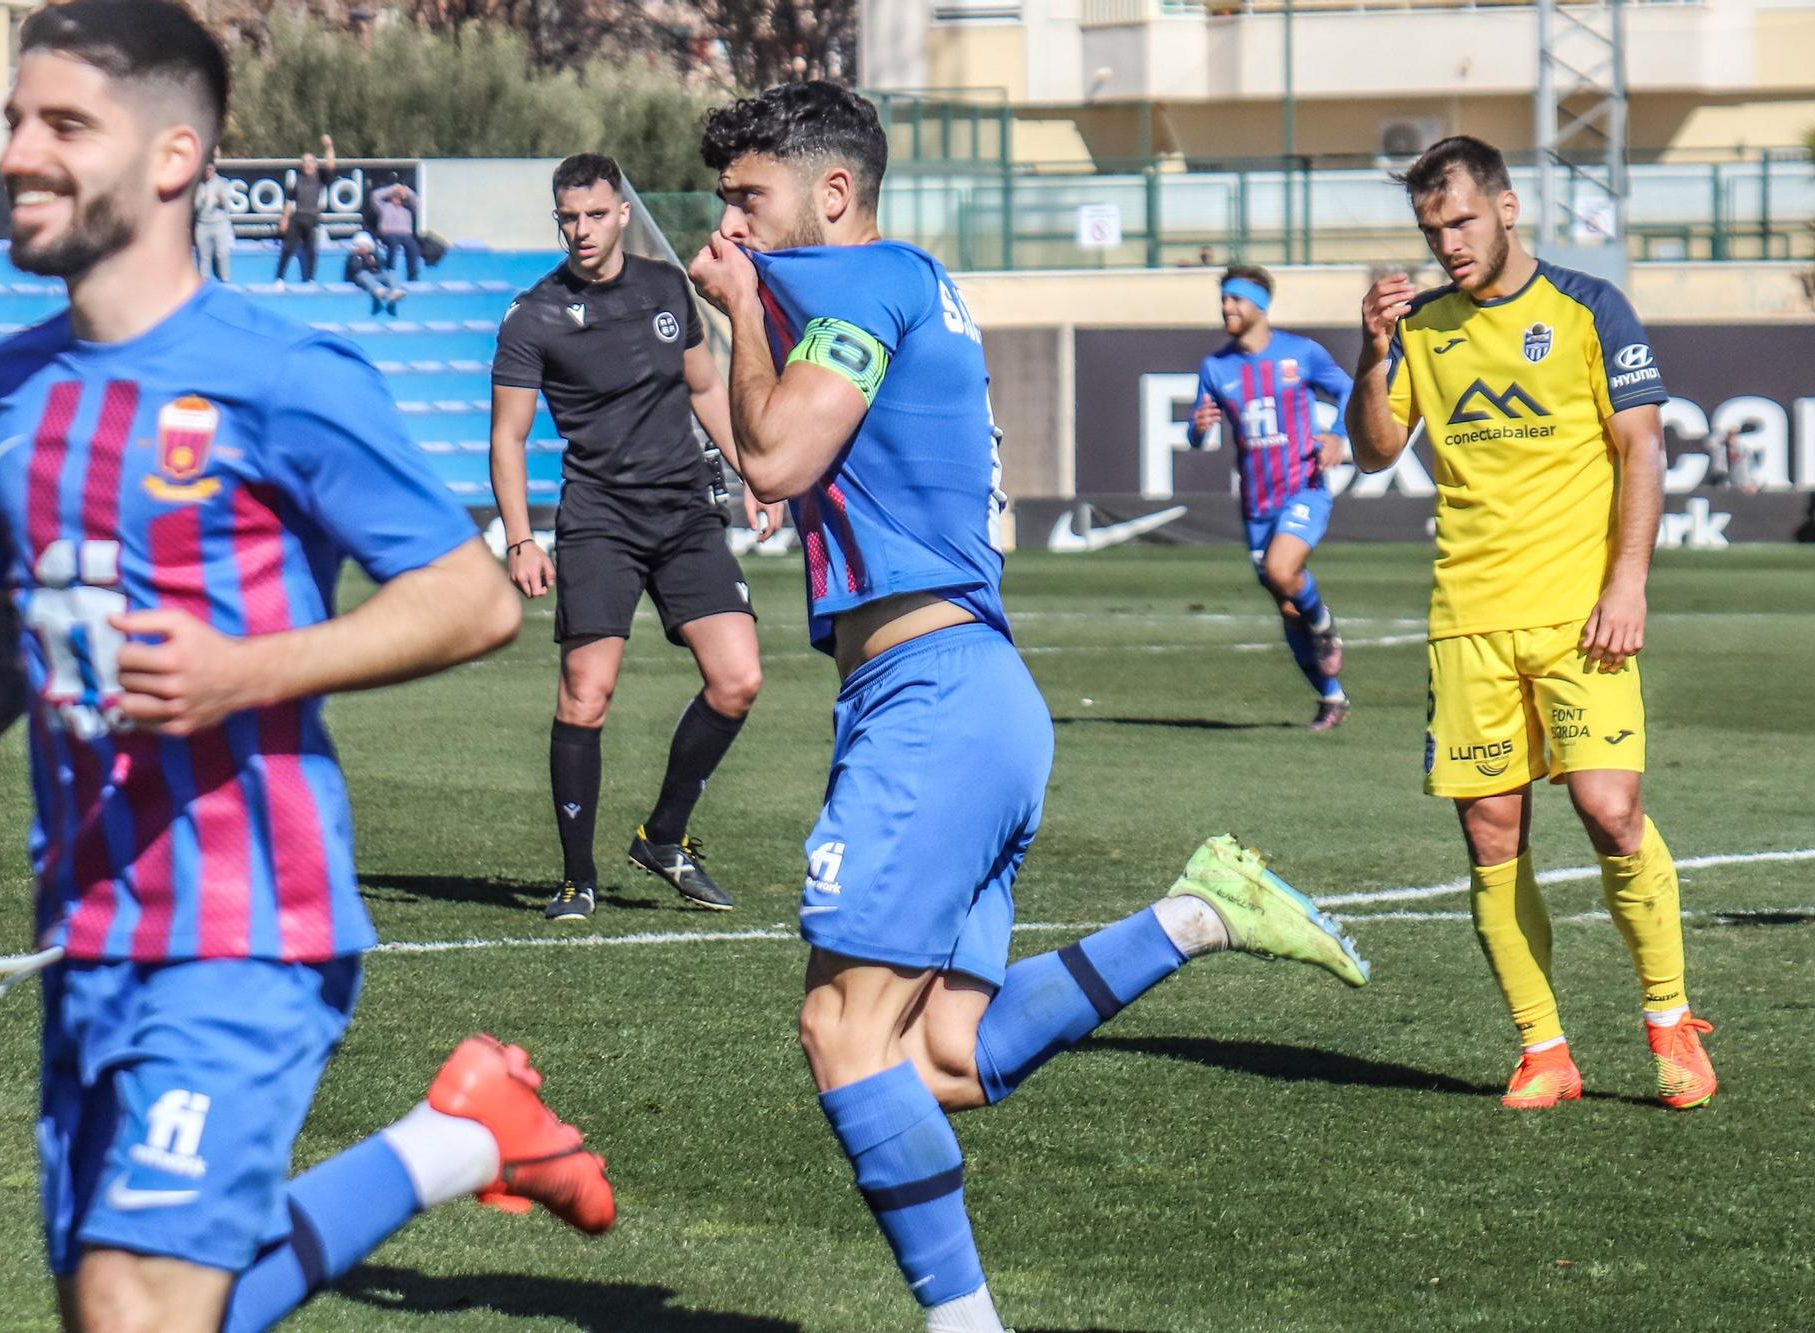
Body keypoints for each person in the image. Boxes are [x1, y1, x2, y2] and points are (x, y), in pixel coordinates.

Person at [0, 6, 615, 1330]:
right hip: (85, 929)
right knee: (128, 1310)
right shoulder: (14, 386)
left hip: (245, 922)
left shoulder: (282, 377)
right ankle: (454, 1139)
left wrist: (247, 671)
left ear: (175, 156)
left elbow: (473, 600)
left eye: (64, 125)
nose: (18, 153)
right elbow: (29, 609)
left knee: (139, 1307)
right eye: (16, 120)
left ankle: (454, 1138)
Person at [688, 80, 1368, 1333]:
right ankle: (1193, 914)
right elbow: (769, 436)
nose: (729, 221)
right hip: (975, 698)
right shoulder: (898, 285)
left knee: (842, 1032)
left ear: (830, 193)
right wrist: (724, 327)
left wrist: (735, 305)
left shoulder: (855, 282)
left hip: (929, 700)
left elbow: (774, 459)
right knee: (942, 1058)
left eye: (748, 197)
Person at [1345, 134, 1716, 1112]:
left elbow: (1639, 448)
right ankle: (1541, 1048)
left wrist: (1625, 582)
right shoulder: (1422, 327)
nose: (1448, 245)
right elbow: (1376, 449)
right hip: (1466, 619)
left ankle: (1669, 1020)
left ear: (1506, 209)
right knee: (1491, 831)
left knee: (1607, 811)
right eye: (1431, 231)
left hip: (1578, 615)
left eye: (1460, 221)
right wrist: (1370, 352)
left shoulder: (1589, 307)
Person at [490, 152, 784, 923]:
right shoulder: (534, 316)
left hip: (685, 510)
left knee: (738, 679)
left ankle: (664, 835)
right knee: (586, 695)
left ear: (621, 212)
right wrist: (522, 539)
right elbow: (508, 437)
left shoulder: (664, 289)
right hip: (599, 521)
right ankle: (576, 879)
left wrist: (752, 471)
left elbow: (702, 385)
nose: (581, 230)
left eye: (594, 214)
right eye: (568, 218)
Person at [1187, 264, 1354, 730]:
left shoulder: (1300, 354)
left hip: (1304, 487)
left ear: (1259, 305)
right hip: (1257, 504)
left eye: (1235, 299)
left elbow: (1349, 390)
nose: (1227, 308)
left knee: (1284, 570)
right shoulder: (1216, 368)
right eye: (1224, 300)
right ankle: (1331, 697)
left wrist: (1338, 435)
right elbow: (1198, 432)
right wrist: (1198, 430)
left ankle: (1323, 623)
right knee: (1285, 603)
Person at [273, 133, 334, 286]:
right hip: (297, 216)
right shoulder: (298, 180)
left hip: (312, 217)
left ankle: (310, 279)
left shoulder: (320, 177)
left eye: (310, 161)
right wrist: (284, 219)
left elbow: (331, 165)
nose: (307, 164)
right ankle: (279, 278)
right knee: (287, 248)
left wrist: (328, 146)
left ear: (315, 164)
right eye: (305, 162)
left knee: (312, 250)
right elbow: (289, 200)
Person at [371, 172, 423, 283]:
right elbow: (375, 196)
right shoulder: (384, 207)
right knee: (393, 244)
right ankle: (390, 272)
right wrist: (393, 188)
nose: (397, 199)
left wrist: (405, 190)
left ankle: (412, 276)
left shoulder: (408, 209)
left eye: (399, 197)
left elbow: (416, 200)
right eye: (395, 196)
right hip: (388, 234)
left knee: (413, 247)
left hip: (405, 235)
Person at [192, 155, 234, 282]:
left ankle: (224, 282)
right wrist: (201, 200)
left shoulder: (223, 183)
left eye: (210, 169)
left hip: (220, 224)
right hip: (203, 224)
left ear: (214, 169)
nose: (208, 172)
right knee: (203, 257)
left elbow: (227, 206)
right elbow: (194, 207)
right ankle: (203, 285)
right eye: (205, 169)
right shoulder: (197, 185)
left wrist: (221, 199)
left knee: (221, 254)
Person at [344, 230, 403, 314]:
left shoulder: (373, 255)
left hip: (375, 275)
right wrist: (363, 260)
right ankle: (377, 289)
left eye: (365, 246)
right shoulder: (353, 256)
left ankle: (395, 290)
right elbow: (355, 269)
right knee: (364, 274)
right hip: (360, 278)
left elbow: (381, 265)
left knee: (389, 273)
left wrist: (375, 262)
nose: (363, 248)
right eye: (360, 246)